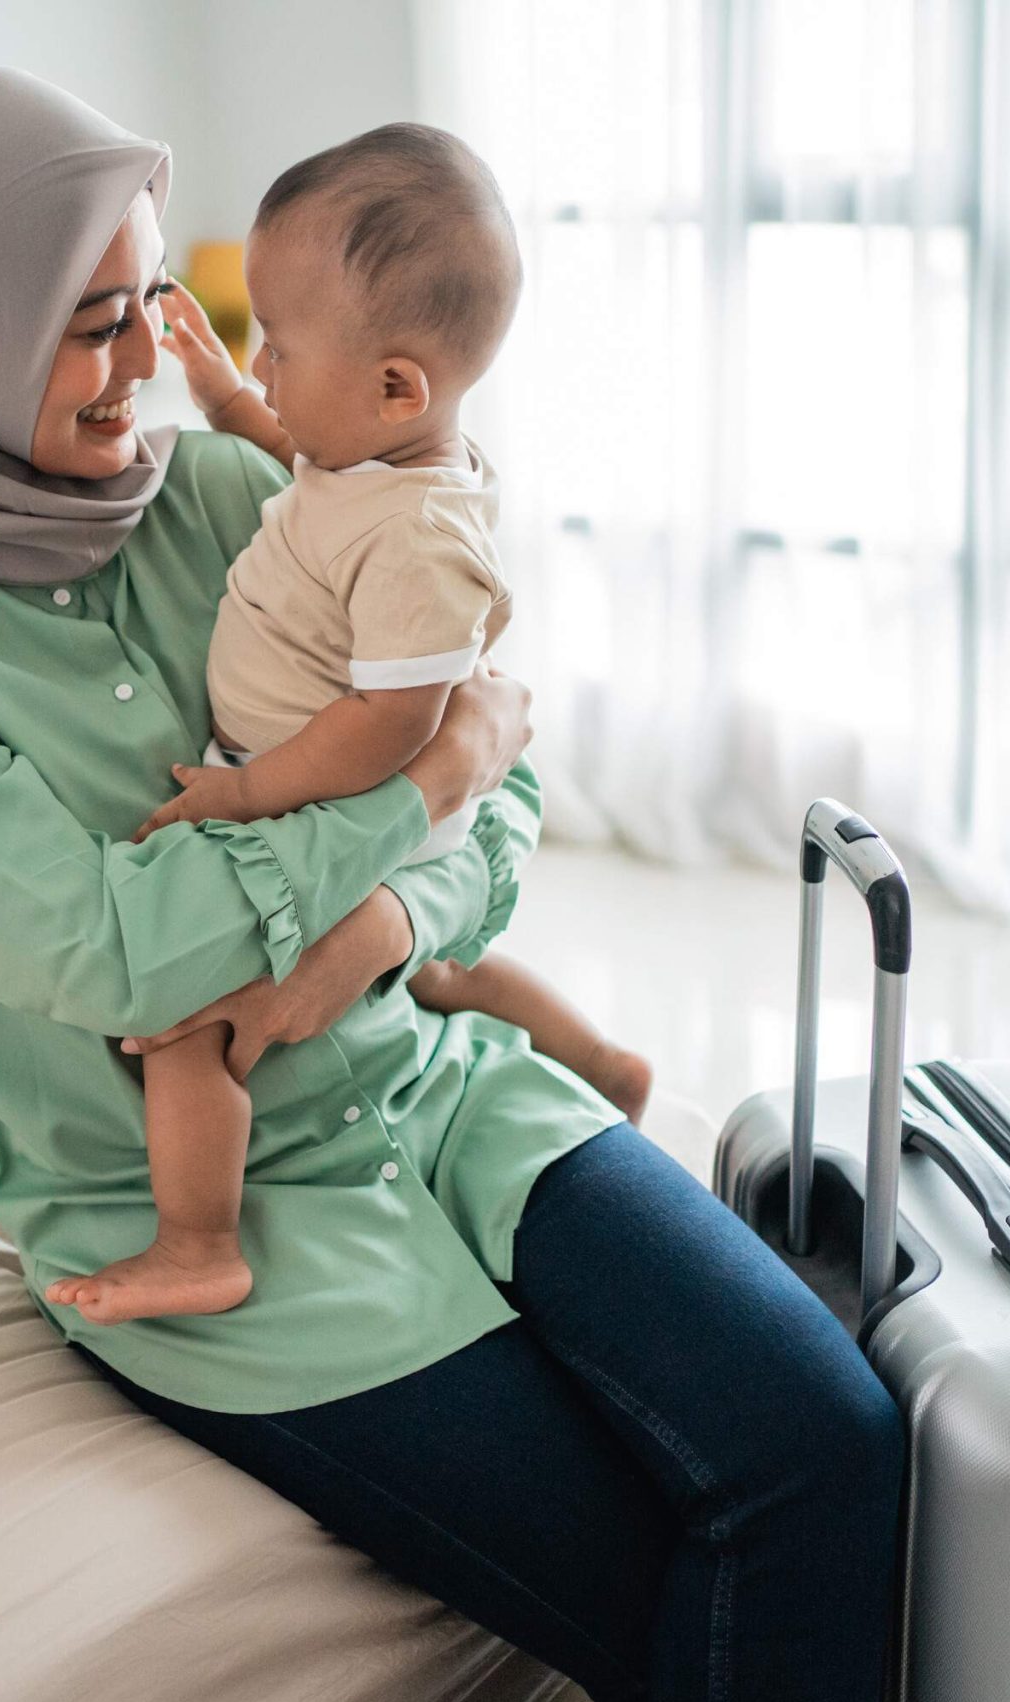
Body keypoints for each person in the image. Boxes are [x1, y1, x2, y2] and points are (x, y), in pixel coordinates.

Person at [0, 63, 902, 1702]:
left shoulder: (212, 495)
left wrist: (386, 923)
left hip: (447, 1088)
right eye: (88, 321)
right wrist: (417, 783)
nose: (151, 362)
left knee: (833, 1442)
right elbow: (118, 947)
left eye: (152, 307)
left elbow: (515, 797)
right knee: (668, 1586)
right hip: (203, 1219)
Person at [43, 123, 650, 1327]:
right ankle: (604, 1062)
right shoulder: (378, 458)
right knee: (440, 968)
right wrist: (216, 386)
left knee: (180, 1029)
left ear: (393, 387)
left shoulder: (422, 540)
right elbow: (302, 457)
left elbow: (394, 724)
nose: (263, 370)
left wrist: (248, 794)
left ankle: (197, 1241)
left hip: (336, 804)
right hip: (342, 798)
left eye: (279, 347)